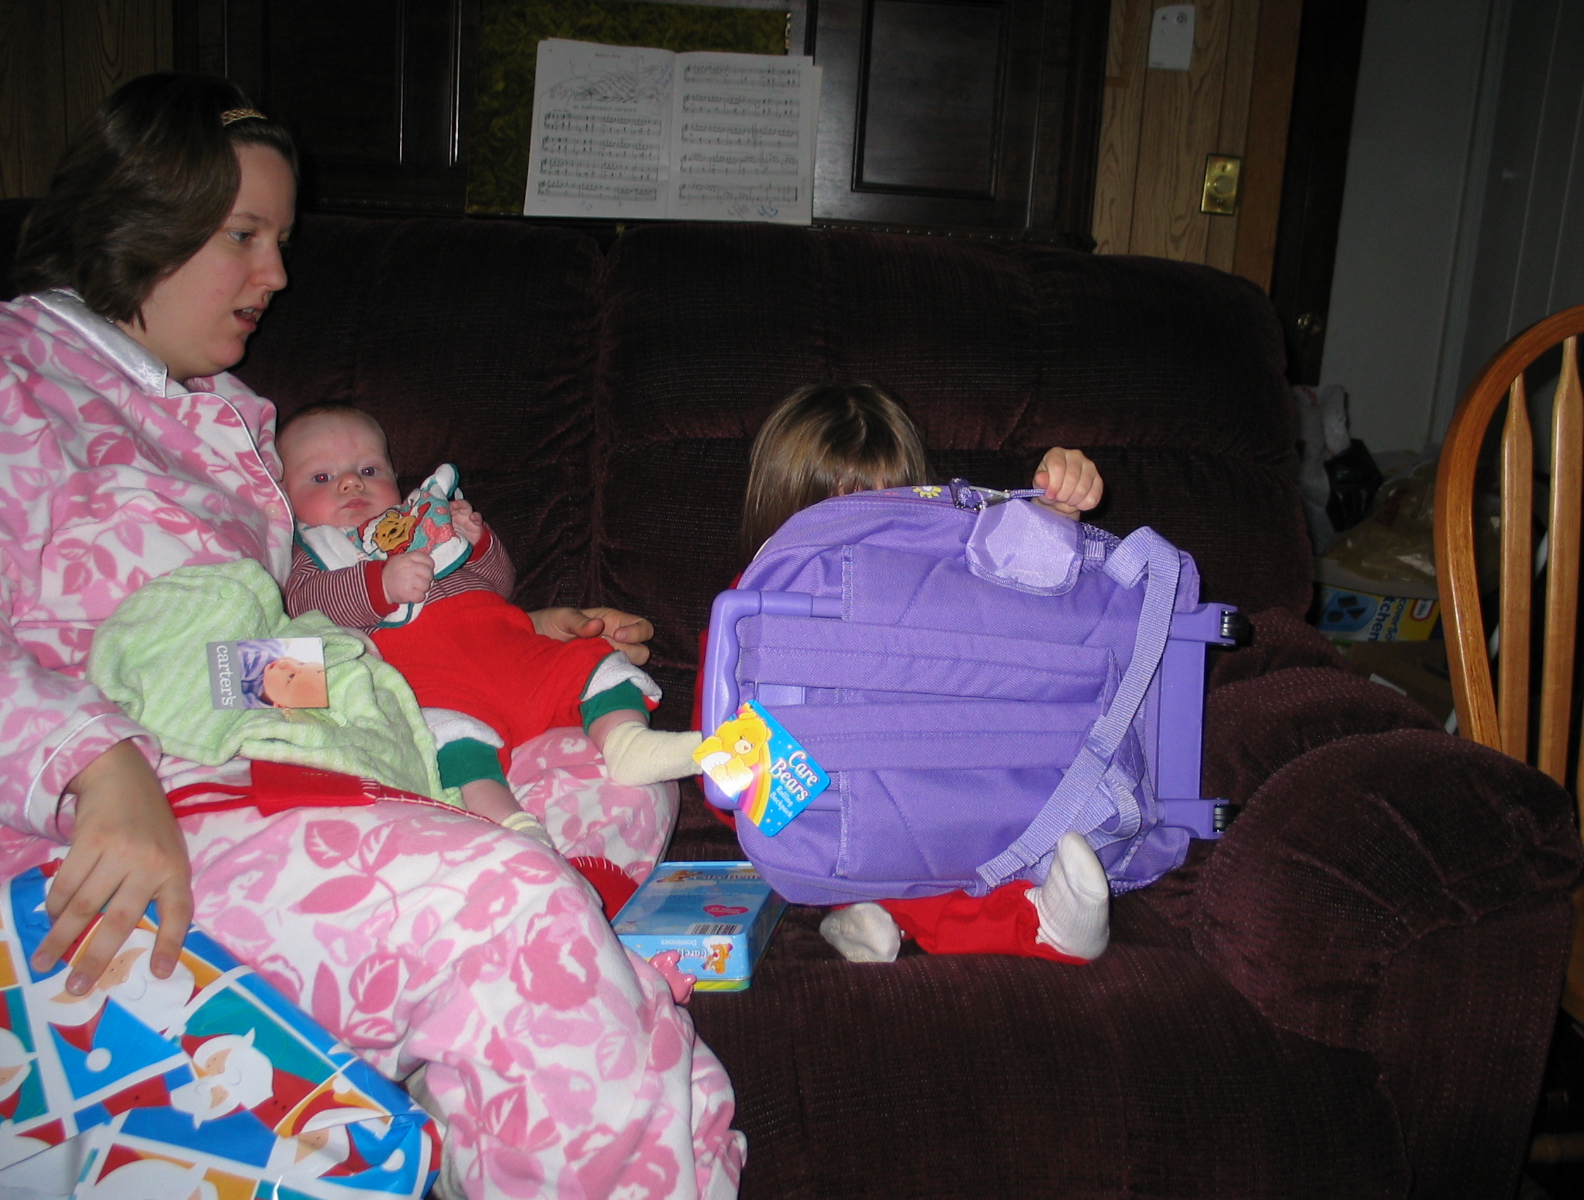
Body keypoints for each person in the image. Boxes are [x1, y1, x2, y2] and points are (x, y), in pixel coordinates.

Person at [0, 72, 743, 1199]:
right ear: (136, 217)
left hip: (268, 734)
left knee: (590, 766)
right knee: (515, 905)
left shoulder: (225, 419)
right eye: (245, 236)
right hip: (112, 825)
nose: (277, 275)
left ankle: (501, 1048)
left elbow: (273, 654)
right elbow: (187, 672)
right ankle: (527, 989)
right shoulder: (20, 373)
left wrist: (492, 632)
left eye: (281, 240)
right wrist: (92, 764)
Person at [708, 382, 1113, 965]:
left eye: (883, 506)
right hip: (828, 809)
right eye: (830, 510)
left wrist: (1052, 512)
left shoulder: (946, 572)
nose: (858, 533)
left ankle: (869, 912)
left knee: (951, 835)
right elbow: (718, 768)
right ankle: (1034, 924)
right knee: (896, 862)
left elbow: (1015, 602)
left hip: (938, 773)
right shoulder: (748, 610)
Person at [275, 404, 702, 845]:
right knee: (447, 739)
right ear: (282, 496)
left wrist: (479, 544)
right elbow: (308, 604)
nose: (351, 482)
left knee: (594, 662)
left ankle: (628, 743)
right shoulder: (317, 553)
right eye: (321, 477)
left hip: (513, 653)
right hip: (435, 685)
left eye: (369, 469)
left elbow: (499, 585)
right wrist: (379, 584)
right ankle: (510, 828)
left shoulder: (421, 523)